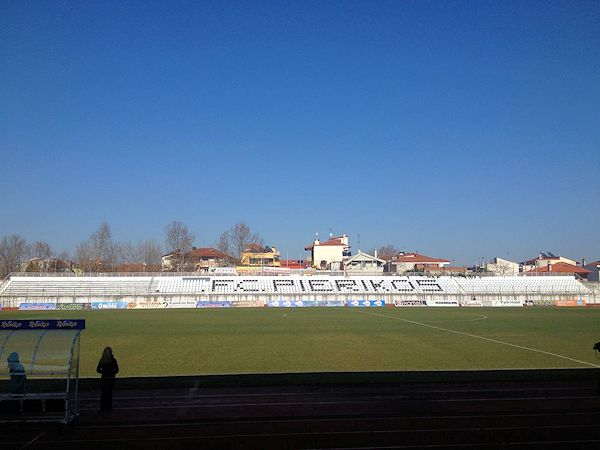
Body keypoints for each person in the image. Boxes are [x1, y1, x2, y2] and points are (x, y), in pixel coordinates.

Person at [96, 347, 119, 411]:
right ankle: (108, 408)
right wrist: (112, 373)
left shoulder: (102, 360)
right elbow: (117, 370)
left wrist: (104, 372)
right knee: (109, 394)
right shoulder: (113, 360)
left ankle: (102, 407)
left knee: (103, 394)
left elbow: (98, 369)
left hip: (104, 379)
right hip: (111, 379)